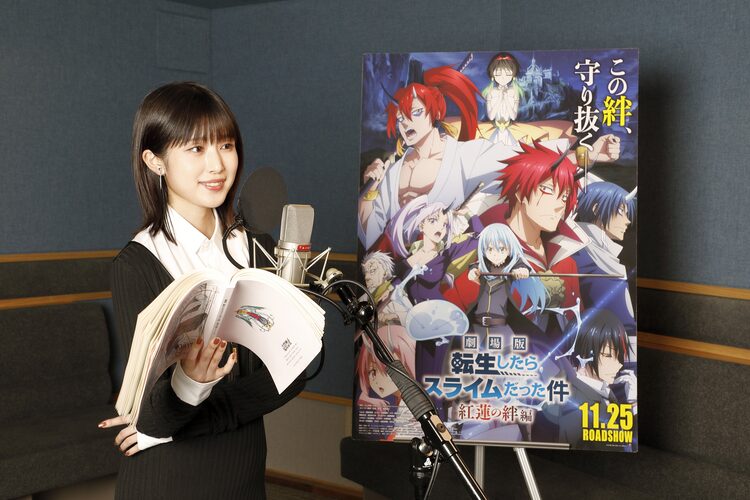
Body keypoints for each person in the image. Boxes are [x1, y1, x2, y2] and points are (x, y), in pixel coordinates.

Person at [98, 82, 304, 499]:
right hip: (167, 481)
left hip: (243, 474)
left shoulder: (258, 248)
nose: (217, 165)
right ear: (155, 161)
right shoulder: (137, 264)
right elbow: (153, 416)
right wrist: (189, 384)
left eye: (226, 146)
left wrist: (192, 414)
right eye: (196, 149)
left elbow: (296, 372)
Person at [572, 181, 637, 335]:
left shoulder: (599, 253)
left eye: (627, 213)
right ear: (596, 209)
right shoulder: (581, 255)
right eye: (621, 211)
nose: (627, 221)